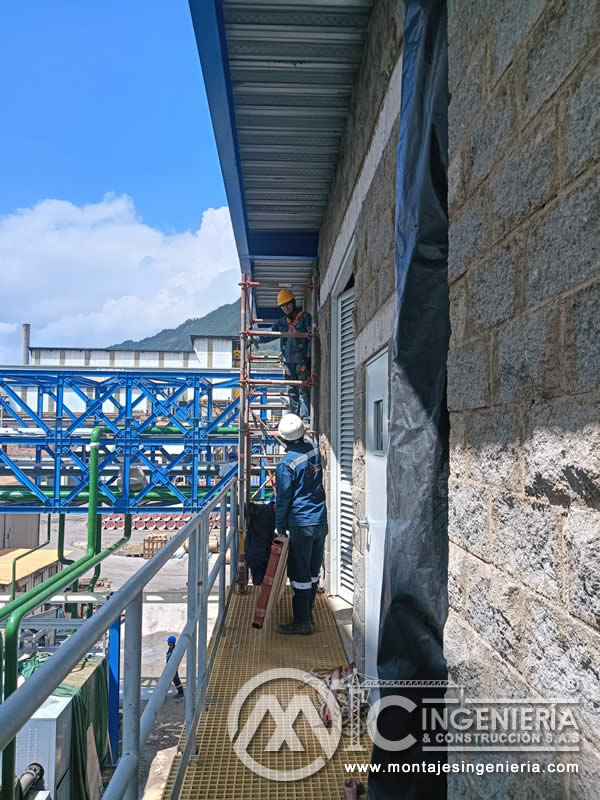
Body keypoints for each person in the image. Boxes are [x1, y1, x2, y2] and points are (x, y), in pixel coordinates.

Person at [274, 414, 328, 635]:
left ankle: (302, 621)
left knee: (299, 574)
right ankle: (310, 612)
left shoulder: (286, 464)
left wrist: (280, 525)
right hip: (320, 520)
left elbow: (284, 498)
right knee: (313, 570)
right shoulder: (313, 448)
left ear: (283, 439)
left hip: (301, 522)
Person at [266, 289, 312, 426]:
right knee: (292, 391)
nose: (286, 308)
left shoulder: (305, 318)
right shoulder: (282, 322)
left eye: (287, 304)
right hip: (288, 362)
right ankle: (294, 419)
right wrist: (254, 338)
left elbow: (311, 340)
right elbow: (270, 334)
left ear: (293, 302)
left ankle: (305, 418)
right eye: (283, 306)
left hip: (302, 361)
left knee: (303, 390)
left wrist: (308, 360)